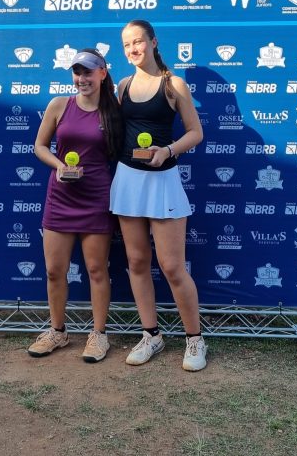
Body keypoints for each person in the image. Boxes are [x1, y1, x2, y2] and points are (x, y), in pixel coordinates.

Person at [110, 20, 207, 371]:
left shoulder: (173, 84)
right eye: (127, 45)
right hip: (127, 180)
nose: (133, 49)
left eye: (138, 41)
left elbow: (195, 132)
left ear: (153, 42)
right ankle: (151, 335)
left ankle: (195, 339)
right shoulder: (122, 86)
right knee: (137, 262)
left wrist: (167, 151)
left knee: (172, 266)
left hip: (163, 181)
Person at [28, 48, 124, 363]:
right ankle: (57, 331)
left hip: (97, 197)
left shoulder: (114, 110)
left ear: (102, 74)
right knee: (54, 270)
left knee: (97, 269)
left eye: (88, 72)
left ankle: (99, 335)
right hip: (60, 197)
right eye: (77, 72)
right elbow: (40, 146)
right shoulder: (59, 105)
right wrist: (59, 166)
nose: (82, 78)